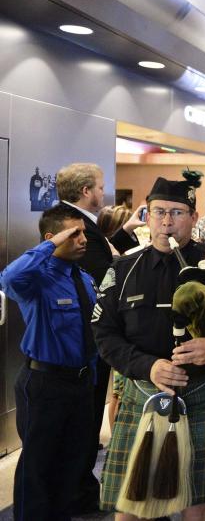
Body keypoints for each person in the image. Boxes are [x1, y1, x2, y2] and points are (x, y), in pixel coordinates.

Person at [92, 172, 205, 520]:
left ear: (193, 218)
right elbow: (104, 331)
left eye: (176, 213)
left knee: (197, 505)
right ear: (147, 215)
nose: (166, 221)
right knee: (130, 506)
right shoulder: (124, 268)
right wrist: (148, 366)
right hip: (144, 390)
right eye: (158, 212)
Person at [56, 162, 143, 513]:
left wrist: (126, 233)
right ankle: (79, 491)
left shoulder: (81, 223)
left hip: (86, 337)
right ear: (87, 191)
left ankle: (82, 485)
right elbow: (99, 270)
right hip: (82, 336)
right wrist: (139, 260)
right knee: (84, 418)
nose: (104, 192)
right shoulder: (71, 224)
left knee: (87, 416)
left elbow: (100, 255)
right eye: (101, 186)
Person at [0, 204, 97, 521]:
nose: (83, 239)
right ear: (51, 238)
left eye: (83, 232)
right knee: (38, 468)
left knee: (72, 463)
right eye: (74, 233)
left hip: (81, 383)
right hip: (44, 384)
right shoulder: (35, 280)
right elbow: (8, 277)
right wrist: (51, 245)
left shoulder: (83, 279)